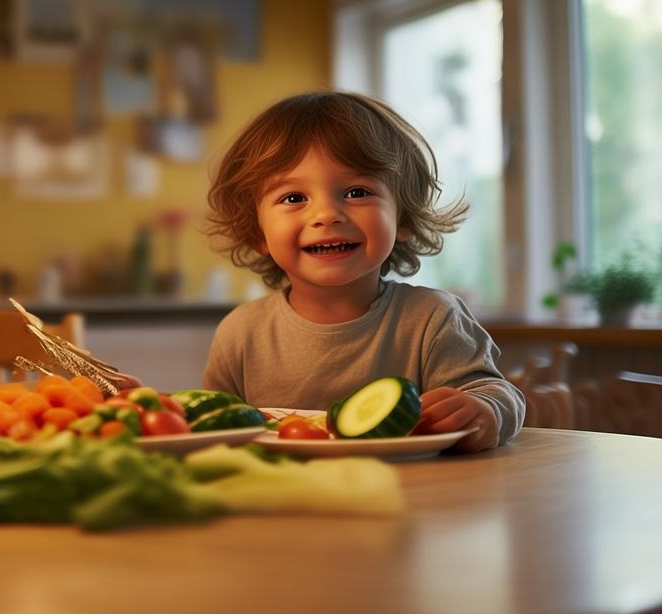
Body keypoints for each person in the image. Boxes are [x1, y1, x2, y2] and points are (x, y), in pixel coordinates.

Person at [202, 91, 524, 452]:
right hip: (284, 499)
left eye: (356, 192)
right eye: (294, 198)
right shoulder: (240, 334)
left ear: (402, 217)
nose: (326, 215)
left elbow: (496, 393)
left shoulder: (432, 319)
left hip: (415, 496)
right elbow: (211, 430)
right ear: (256, 231)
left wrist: (485, 411)